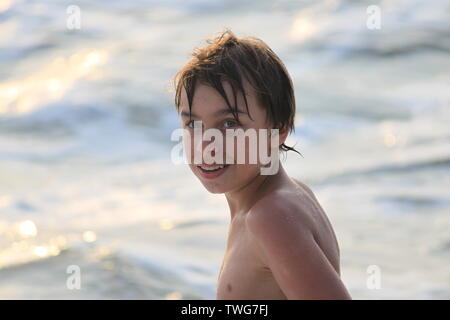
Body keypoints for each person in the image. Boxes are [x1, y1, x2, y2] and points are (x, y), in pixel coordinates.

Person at [172, 29, 352, 300]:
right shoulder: (278, 200)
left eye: (230, 124)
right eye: (193, 125)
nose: (206, 145)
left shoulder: (270, 218)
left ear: (277, 129)